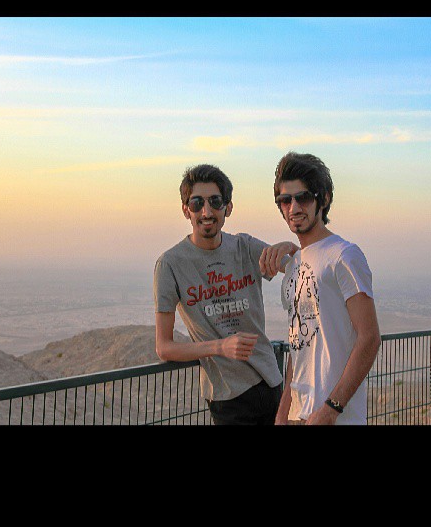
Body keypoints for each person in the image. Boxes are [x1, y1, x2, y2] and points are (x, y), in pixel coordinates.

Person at [153, 164, 297, 425]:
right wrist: (220, 347)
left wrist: (293, 249)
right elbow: (164, 347)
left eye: (215, 202)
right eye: (197, 203)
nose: (206, 212)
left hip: (272, 381)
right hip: (228, 396)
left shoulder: (244, 246)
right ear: (186, 210)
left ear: (228, 208)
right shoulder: (170, 265)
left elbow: (298, 270)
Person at [260, 152, 381, 425]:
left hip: (334, 417)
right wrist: (282, 414)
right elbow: (299, 345)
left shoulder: (345, 255)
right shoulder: (294, 265)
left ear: (323, 199)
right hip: (299, 416)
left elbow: (370, 338)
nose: (293, 208)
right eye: (285, 200)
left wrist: (331, 409)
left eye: (303, 197)